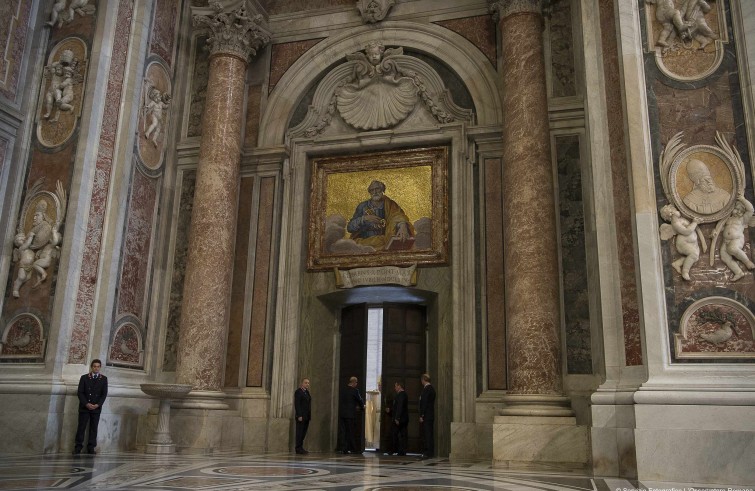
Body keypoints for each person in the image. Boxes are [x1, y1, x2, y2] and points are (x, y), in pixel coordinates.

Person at [346, 180, 414, 250]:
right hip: (366, 243)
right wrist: (364, 218)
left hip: (385, 241)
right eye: (372, 190)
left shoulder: (390, 204)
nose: (375, 192)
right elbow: (350, 227)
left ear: (382, 190)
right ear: (370, 192)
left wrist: (402, 225)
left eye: (377, 189)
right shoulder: (362, 206)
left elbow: (397, 215)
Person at [74, 359, 108, 455]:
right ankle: (78, 447)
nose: (96, 368)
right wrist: (86, 404)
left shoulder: (104, 379)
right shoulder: (84, 378)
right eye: (94, 366)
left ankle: (91, 448)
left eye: (98, 366)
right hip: (84, 407)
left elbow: (104, 394)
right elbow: (80, 392)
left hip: (96, 408)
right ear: (91, 367)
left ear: (100, 367)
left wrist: (97, 405)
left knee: (94, 428)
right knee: (81, 427)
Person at [718, 194, 755, 281]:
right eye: (737, 209)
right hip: (725, 241)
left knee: (732, 249)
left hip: (736, 239)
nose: (738, 212)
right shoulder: (728, 219)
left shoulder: (742, 219)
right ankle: (738, 272)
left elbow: (750, 210)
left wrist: (743, 200)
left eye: (741, 211)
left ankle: (747, 262)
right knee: (724, 257)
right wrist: (715, 232)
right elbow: (721, 228)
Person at [659, 204, 700, 280]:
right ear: (669, 215)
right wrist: (695, 222)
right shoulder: (675, 224)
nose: (674, 211)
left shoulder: (680, 220)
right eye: (671, 211)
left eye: (673, 209)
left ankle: (677, 263)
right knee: (694, 255)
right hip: (683, 244)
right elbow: (687, 231)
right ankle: (685, 272)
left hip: (690, 242)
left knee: (695, 257)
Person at [338, 376, 364, 454]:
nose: (356, 384)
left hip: (342, 414)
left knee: (343, 431)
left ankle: (344, 448)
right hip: (350, 415)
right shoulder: (355, 391)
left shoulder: (343, 390)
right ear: (354, 382)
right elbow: (360, 400)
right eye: (356, 383)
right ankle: (353, 448)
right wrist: (362, 407)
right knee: (350, 432)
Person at [418, 373, 435, 458]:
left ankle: (427, 452)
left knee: (427, 434)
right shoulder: (431, 389)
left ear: (423, 380)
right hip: (430, 415)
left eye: (421, 380)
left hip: (427, 416)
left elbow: (424, 403)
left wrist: (422, 415)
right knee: (429, 434)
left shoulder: (427, 389)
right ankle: (429, 452)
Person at [390, 381, 408, 456]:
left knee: (398, 435)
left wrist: (397, 418)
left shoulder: (401, 394)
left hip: (400, 419)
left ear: (399, 386)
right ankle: (399, 450)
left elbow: (399, 407)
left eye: (395, 386)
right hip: (402, 418)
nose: (395, 388)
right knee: (400, 435)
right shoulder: (402, 394)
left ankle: (399, 450)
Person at [293, 378, 311, 454]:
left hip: (306, 416)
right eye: (306, 383)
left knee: (303, 432)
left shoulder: (307, 392)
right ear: (302, 383)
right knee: (299, 432)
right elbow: (297, 404)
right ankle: (298, 448)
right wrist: (299, 415)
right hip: (301, 416)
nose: (307, 384)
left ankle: (301, 447)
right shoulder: (298, 392)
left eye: (308, 383)